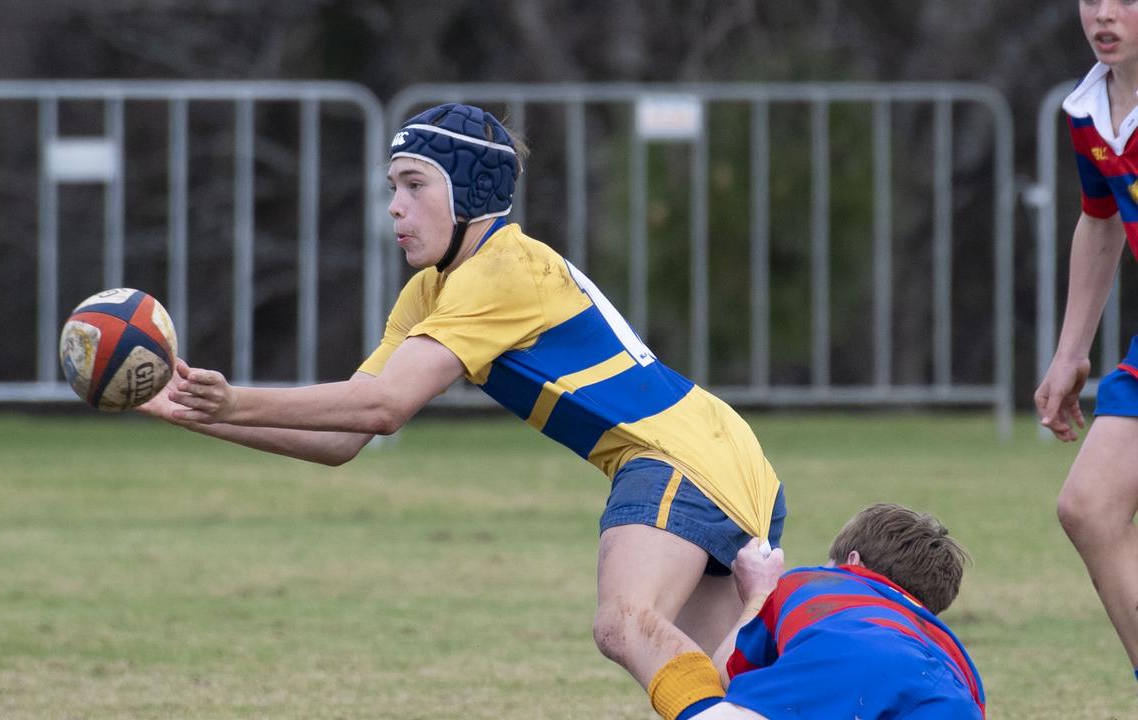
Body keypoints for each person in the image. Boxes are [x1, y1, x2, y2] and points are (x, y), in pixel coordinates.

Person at [137, 102, 785, 714]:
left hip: (673, 455)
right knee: (722, 680)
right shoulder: (431, 291)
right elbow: (343, 436)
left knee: (624, 622)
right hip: (723, 455)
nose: (395, 207)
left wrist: (233, 399)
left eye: (414, 185)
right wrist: (206, 413)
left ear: (472, 193)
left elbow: (383, 407)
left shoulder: (502, 271)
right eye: (392, 186)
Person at [1036, 0, 1138, 685]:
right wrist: (1071, 349)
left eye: (1126, 0)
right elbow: (1101, 219)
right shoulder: (1086, 109)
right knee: (1089, 506)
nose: (1104, 14)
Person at [673, 503, 984, 720]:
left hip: (854, 658)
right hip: (957, 702)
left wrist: (759, 594)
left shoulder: (816, 583)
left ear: (852, 561)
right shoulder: (934, 642)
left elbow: (728, 671)